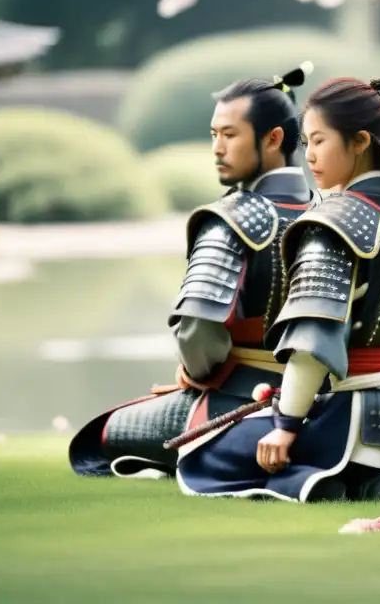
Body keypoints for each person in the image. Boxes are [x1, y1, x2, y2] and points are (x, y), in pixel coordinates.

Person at [175, 67, 380, 502]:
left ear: (360, 142)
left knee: (215, 450)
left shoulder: (331, 223)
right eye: (305, 143)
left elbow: (312, 345)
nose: (308, 156)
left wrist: (286, 426)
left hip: (354, 418)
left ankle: (363, 479)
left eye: (319, 141)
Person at [69, 62, 322, 479]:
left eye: (229, 134)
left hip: (239, 399)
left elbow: (198, 333)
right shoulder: (331, 213)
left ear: (274, 138)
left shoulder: (231, 219)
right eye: (213, 135)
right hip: (327, 403)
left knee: (95, 442)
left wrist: (196, 373)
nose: (217, 148)